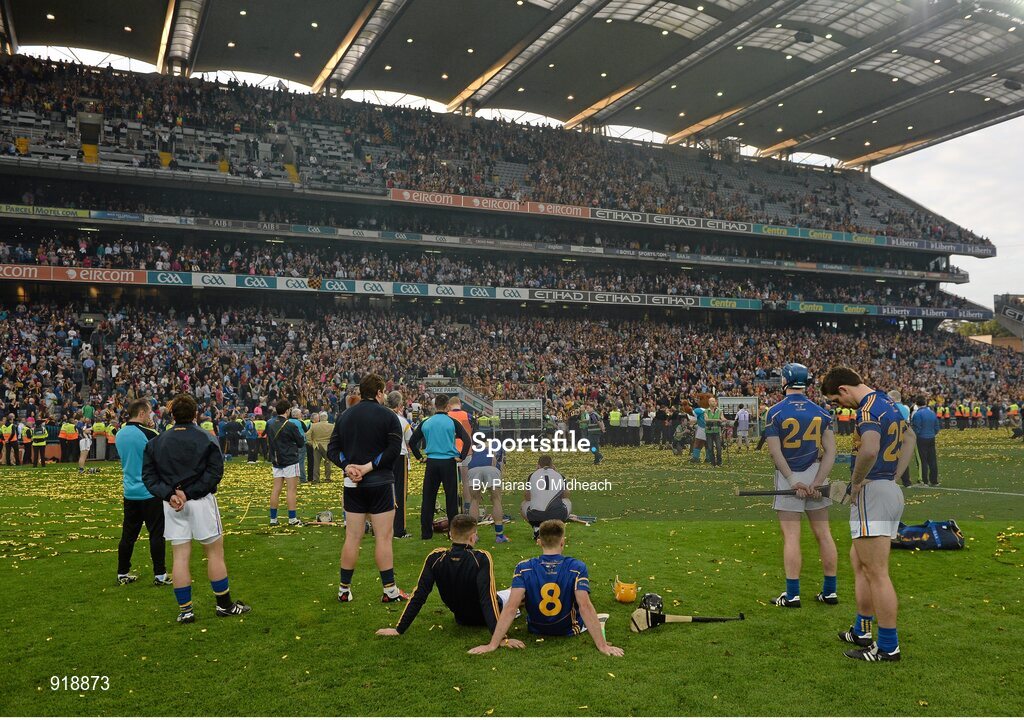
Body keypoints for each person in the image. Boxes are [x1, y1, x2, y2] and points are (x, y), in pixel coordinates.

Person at [821, 367, 915, 662]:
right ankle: (862, 630)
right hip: (887, 490)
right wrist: (895, 475)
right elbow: (909, 438)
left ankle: (888, 646)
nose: (840, 406)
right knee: (859, 563)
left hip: (872, 492)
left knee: (877, 572)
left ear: (845, 390)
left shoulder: (866, 410)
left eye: (837, 400)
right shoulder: (887, 402)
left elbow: (870, 449)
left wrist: (856, 482)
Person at [142, 393, 250, 624]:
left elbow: (149, 477)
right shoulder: (206, 438)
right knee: (214, 553)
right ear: (195, 414)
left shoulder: (156, 442)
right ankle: (224, 605)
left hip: (173, 505)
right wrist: (188, 493)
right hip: (200, 501)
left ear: (171, 415)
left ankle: (186, 611)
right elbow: (214, 473)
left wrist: (170, 494)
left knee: (180, 557)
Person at [468, 520, 623, 657]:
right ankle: (598, 624)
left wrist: (492, 645)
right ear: (563, 542)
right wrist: (602, 646)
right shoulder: (577, 567)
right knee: (585, 601)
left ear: (539, 542)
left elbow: (510, 607)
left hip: (536, 628)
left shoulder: (523, 567)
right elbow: (585, 606)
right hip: (567, 630)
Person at [326, 373, 408, 603]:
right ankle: (389, 590)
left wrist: (347, 467)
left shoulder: (345, 416)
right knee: (383, 536)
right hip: (380, 482)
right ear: (380, 392)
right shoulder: (389, 416)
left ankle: (344, 589)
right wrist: (368, 467)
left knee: (352, 537)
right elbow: (393, 450)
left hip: (353, 483)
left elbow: (332, 449)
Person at [763, 363, 839, 608]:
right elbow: (831, 452)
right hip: (816, 474)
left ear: (785, 380)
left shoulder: (774, 412)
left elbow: (776, 453)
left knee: (792, 537)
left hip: (789, 479)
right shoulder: (821, 412)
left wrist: (793, 480)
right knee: (824, 534)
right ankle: (830, 592)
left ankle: (793, 594)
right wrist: (817, 481)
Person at [376, 515, 518, 639]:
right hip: (488, 614)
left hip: (461, 618)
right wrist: (499, 637)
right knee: (521, 592)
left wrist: (399, 629)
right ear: (472, 537)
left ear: (450, 534)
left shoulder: (435, 558)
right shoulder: (481, 558)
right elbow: (487, 599)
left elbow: (419, 595)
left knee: (506, 593)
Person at [115, 398, 170, 586]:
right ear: (141, 414)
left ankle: (122, 572)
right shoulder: (150, 433)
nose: (150, 416)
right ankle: (160, 574)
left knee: (128, 535)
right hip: (150, 491)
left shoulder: (120, 434)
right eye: (148, 413)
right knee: (156, 534)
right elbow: (162, 457)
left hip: (130, 491)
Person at [408, 394, 472, 540]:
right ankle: (453, 533)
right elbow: (467, 441)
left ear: (434, 406)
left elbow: (412, 442)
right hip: (448, 462)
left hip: (432, 462)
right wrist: (461, 456)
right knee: (451, 499)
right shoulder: (452, 421)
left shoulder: (427, 422)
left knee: (428, 499)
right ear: (448, 406)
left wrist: (419, 457)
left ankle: (426, 533)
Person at [266, 399, 305, 527]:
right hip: (290, 460)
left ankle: (273, 519)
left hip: (276, 460)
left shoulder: (270, 424)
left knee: (276, 489)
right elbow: (300, 442)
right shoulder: (290, 425)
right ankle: (292, 519)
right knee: (291, 490)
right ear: (287, 411)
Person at [521, 455, 571, 539]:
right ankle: (556, 529)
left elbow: (527, 497)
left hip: (536, 516)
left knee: (523, 504)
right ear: (552, 465)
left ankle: (537, 528)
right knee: (567, 501)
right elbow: (566, 495)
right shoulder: (559, 475)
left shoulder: (532, 476)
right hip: (557, 515)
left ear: (538, 465)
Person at [467, 444, 509, 543]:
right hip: (492, 469)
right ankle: (500, 535)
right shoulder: (498, 447)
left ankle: (474, 535)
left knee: (474, 500)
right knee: (496, 500)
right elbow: (500, 465)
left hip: (473, 469)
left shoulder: (474, 448)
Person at [384, 393, 412, 537]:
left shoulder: (380, 418)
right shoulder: (402, 421)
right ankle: (399, 529)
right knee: (400, 493)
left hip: (382, 457)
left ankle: (381, 528)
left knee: (383, 490)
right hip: (399, 457)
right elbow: (410, 440)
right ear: (399, 405)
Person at [447, 397, 474, 511]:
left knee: (451, 482)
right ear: (460, 404)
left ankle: (453, 507)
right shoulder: (468, 416)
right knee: (466, 481)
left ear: (449, 405)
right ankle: (467, 507)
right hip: (466, 451)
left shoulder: (446, 415)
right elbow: (471, 432)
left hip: (450, 451)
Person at [911, 395, 940, 486]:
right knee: (932, 460)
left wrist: (916, 436)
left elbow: (917, 428)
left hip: (921, 439)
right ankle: (934, 480)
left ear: (916, 403)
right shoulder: (932, 413)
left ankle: (924, 480)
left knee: (922, 460)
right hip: (931, 437)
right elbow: (937, 427)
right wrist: (932, 433)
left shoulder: (917, 414)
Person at [888, 391, 912, 487]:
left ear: (893, 398)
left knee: (891, 457)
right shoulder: (906, 408)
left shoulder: (891, 408)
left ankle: (890, 479)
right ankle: (907, 482)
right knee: (903, 458)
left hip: (893, 434)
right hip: (903, 434)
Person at [305, 412, 335, 483]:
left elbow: (307, 435)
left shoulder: (314, 425)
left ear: (320, 418)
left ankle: (316, 479)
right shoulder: (332, 426)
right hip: (327, 446)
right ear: (327, 418)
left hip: (317, 446)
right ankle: (327, 478)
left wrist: (311, 443)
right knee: (328, 463)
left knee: (316, 463)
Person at [705, 396, 724, 466]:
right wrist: (717, 420)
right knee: (710, 448)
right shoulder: (706, 411)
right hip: (708, 432)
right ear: (709, 403)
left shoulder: (719, 411)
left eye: (715, 401)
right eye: (712, 401)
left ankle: (719, 462)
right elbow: (706, 419)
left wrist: (724, 420)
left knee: (719, 447)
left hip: (716, 432)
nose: (714, 402)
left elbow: (722, 418)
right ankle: (713, 462)